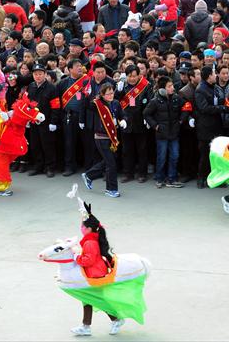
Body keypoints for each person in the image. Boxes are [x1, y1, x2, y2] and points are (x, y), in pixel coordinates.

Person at [70, 204, 124, 336]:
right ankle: (86, 326)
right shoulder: (90, 239)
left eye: (83, 226)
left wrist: (76, 255)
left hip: (95, 277)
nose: (81, 228)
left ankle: (116, 320)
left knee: (96, 300)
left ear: (89, 229)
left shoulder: (89, 242)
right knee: (87, 300)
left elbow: (88, 260)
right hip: (92, 275)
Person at [81, 84, 124, 198]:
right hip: (101, 137)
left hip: (112, 137)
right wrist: (87, 94)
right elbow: (87, 105)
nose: (110, 95)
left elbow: (122, 115)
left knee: (108, 160)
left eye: (112, 93)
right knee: (111, 163)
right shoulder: (97, 104)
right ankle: (111, 189)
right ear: (102, 94)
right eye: (107, 94)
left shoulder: (116, 103)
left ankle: (89, 175)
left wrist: (124, 120)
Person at [143, 76, 187, 188]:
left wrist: (181, 120)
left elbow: (186, 107)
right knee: (161, 157)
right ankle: (159, 178)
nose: (172, 88)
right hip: (162, 134)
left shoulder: (176, 98)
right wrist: (155, 126)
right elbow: (146, 113)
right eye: (169, 86)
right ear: (162, 88)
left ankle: (172, 179)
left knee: (175, 155)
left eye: (172, 85)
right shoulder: (155, 101)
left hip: (174, 133)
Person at [116, 65, 152, 183]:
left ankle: (142, 173)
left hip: (140, 121)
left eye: (134, 76)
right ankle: (128, 173)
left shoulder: (146, 86)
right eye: (130, 76)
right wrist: (119, 91)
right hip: (126, 122)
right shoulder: (122, 87)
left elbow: (149, 103)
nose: (132, 78)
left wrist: (147, 117)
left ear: (139, 75)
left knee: (142, 149)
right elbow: (116, 102)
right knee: (127, 150)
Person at [194, 66, 226, 189]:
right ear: (208, 76)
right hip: (205, 127)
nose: (216, 76)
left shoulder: (215, 88)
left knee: (216, 154)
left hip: (216, 126)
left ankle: (216, 178)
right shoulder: (200, 90)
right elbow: (204, 108)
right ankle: (201, 178)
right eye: (214, 74)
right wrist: (221, 109)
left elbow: (220, 100)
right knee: (205, 154)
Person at [27, 64, 60, 177]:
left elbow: (56, 106)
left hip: (46, 122)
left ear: (45, 74)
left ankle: (50, 167)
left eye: (40, 74)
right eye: (35, 74)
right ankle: (38, 166)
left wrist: (53, 122)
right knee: (35, 144)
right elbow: (27, 103)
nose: (38, 76)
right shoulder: (31, 86)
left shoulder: (51, 88)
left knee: (47, 145)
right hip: (33, 120)